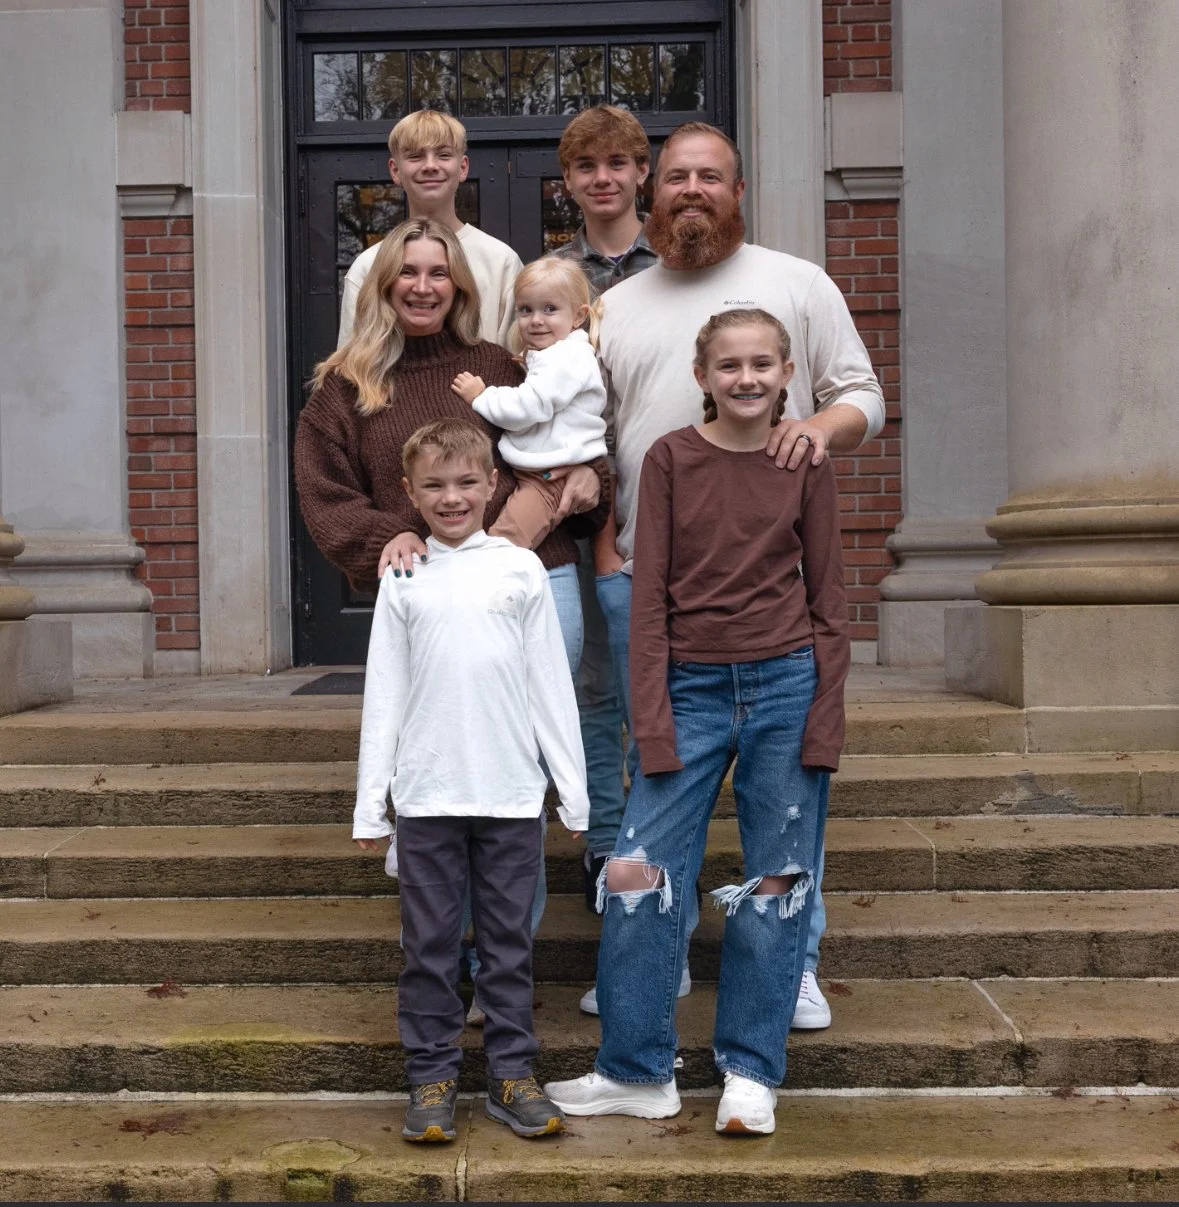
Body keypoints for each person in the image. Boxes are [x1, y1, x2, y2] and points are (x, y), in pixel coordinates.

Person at [584, 121, 886, 1031]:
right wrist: (605, 540)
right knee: (654, 771)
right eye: (674, 176)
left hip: (765, 592)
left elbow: (861, 396)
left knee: (782, 791)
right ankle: (657, 957)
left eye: (708, 176)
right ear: (652, 191)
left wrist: (815, 432)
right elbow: (584, 436)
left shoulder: (795, 283)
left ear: (737, 190)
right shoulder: (621, 303)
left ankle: (792, 960)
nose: (689, 190)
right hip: (643, 575)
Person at [545, 308, 850, 1135]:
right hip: (688, 688)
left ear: (787, 371)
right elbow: (648, 602)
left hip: (787, 685)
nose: (745, 378)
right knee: (637, 872)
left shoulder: (804, 462)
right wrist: (652, 716)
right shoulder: (671, 457)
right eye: (729, 365)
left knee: (777, 882)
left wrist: (824, 719)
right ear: (701, 374)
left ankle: (751, 1072)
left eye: (761, 364)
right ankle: (636, 1068)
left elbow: (827, 598)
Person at [294, 217, 607, 1021]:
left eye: (440, 271)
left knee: (517, 764)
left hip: (534, 582)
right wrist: (385, 534)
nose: (424, 285)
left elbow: (573, 440)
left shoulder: (499, 366)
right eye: (409, 272)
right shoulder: (345, 385)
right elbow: (326, 496)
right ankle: (450, 961)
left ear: (461, 285)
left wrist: (573, 487)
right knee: (443, 759)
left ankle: (501, 964)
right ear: (383, 286)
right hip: (424, 591)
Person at [354, 417, 589, 1142]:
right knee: (427, 946)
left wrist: (572, 792)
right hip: (426, 796)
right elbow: (383, 692)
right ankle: (431, 1077)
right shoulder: (404, 573)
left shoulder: (518, 569)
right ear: (409, 493)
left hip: (511, 794)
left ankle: (512, 1073)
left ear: (493, 484)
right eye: (434, 485)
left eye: (466, 482)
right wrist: (373, 807)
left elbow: (549, 684)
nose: (451, 497)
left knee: (508, 944)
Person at [552, 107, 662, 946]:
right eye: (587, 166)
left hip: (668, 503)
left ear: (640, 173)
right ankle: (602, 843)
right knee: (593, 684)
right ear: (569, 181)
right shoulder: (553, 276)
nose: (603, 178)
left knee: (655, 690)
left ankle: (654, 846)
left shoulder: (681, 265)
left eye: (618, 163)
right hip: (581, 503)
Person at [452, 256, 607, 551]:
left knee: (505, 544)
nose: (536, 319)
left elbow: (530, 406)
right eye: (526, 309)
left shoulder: (568, 358)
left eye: (550, 309)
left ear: (578, 316)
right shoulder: (549, 354)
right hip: (536, 469)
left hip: (550, 477)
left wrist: (482, 396)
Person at [337, 110, 522, 349]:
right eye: (415, 156)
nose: (430, 166)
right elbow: (349, 368)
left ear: (463, 167)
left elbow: (520, 365)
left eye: (444, 155)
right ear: (395, 170)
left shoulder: (501, 262)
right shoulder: (368, 266)